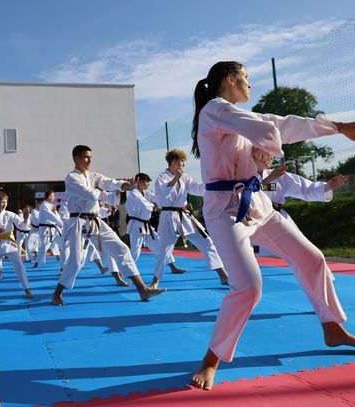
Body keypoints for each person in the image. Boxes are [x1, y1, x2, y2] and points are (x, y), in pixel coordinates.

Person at [189, 60, 355, 391]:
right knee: (248, 288)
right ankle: (211, 359)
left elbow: (278, 124)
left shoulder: (238, 116)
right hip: (225, 210)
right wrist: (265, 149)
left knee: (312, 259)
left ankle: (332, 327)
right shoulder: (215, 110)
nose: (250, 85)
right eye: (246, 78)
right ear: (229, 79)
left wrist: (337, 126)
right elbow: (269, 131)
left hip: (258, 204)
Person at [51, 145, 166, 306]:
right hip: (77, 221)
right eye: (86, 157)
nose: (90, 160)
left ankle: (142, 289)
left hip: (95, 221)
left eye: (90, 156)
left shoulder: (93, 176)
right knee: (76, 261)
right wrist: (103, 193)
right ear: (76, 158)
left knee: (122, 249)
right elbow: (90, 194)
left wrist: (126, 185)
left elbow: (109, 182)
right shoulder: (71, 178)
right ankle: (57, 294)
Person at [152, 149, 228, 288]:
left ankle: (223, 275)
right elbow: (162, 198)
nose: (183, 165)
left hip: (184, 217)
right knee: (163, 250)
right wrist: (175, 179)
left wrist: (215, 187)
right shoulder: (162, 178)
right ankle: (155, 282)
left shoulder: (185, 178)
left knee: (207, 242)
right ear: (174, 161)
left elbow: (198, 188)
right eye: (182, 162)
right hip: (168, 217)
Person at [252, 153, 346, 256]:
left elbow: (305, 189)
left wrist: (327, 187)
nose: (270, 157)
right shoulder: (238, 178)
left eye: (272, 154)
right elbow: (246, 192)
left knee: (307, 253)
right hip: (251, 221)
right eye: (266, 153)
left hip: (277, 219)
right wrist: (267, 180)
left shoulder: (279, 177)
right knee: (252, 254)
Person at [32, 190, 63, 267]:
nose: (54, 198)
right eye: (53, 196)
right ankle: (37, 262)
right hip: (45, 229)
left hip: (53, 229)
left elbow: (55, 215)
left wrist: (55, 212)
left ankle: (59, 256)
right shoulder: (44, 205)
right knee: (43, 246)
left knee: (57, 243)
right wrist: (60, 222)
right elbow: (50, 216)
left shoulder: (51, 205)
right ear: (49, 197)